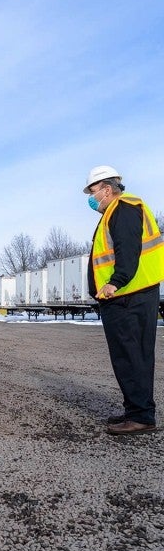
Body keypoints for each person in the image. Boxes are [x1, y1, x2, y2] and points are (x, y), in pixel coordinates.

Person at [84, 165, 164, 435]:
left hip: (129, 296)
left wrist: (115, 282)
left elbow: (127, 251)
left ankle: (141, 416)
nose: (91, 198)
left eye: (93, 191)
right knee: (131, 356)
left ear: (107, 189)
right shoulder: (117, 211)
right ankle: (137, 410)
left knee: (131, 356)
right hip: (129, 296)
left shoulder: (124, 209)